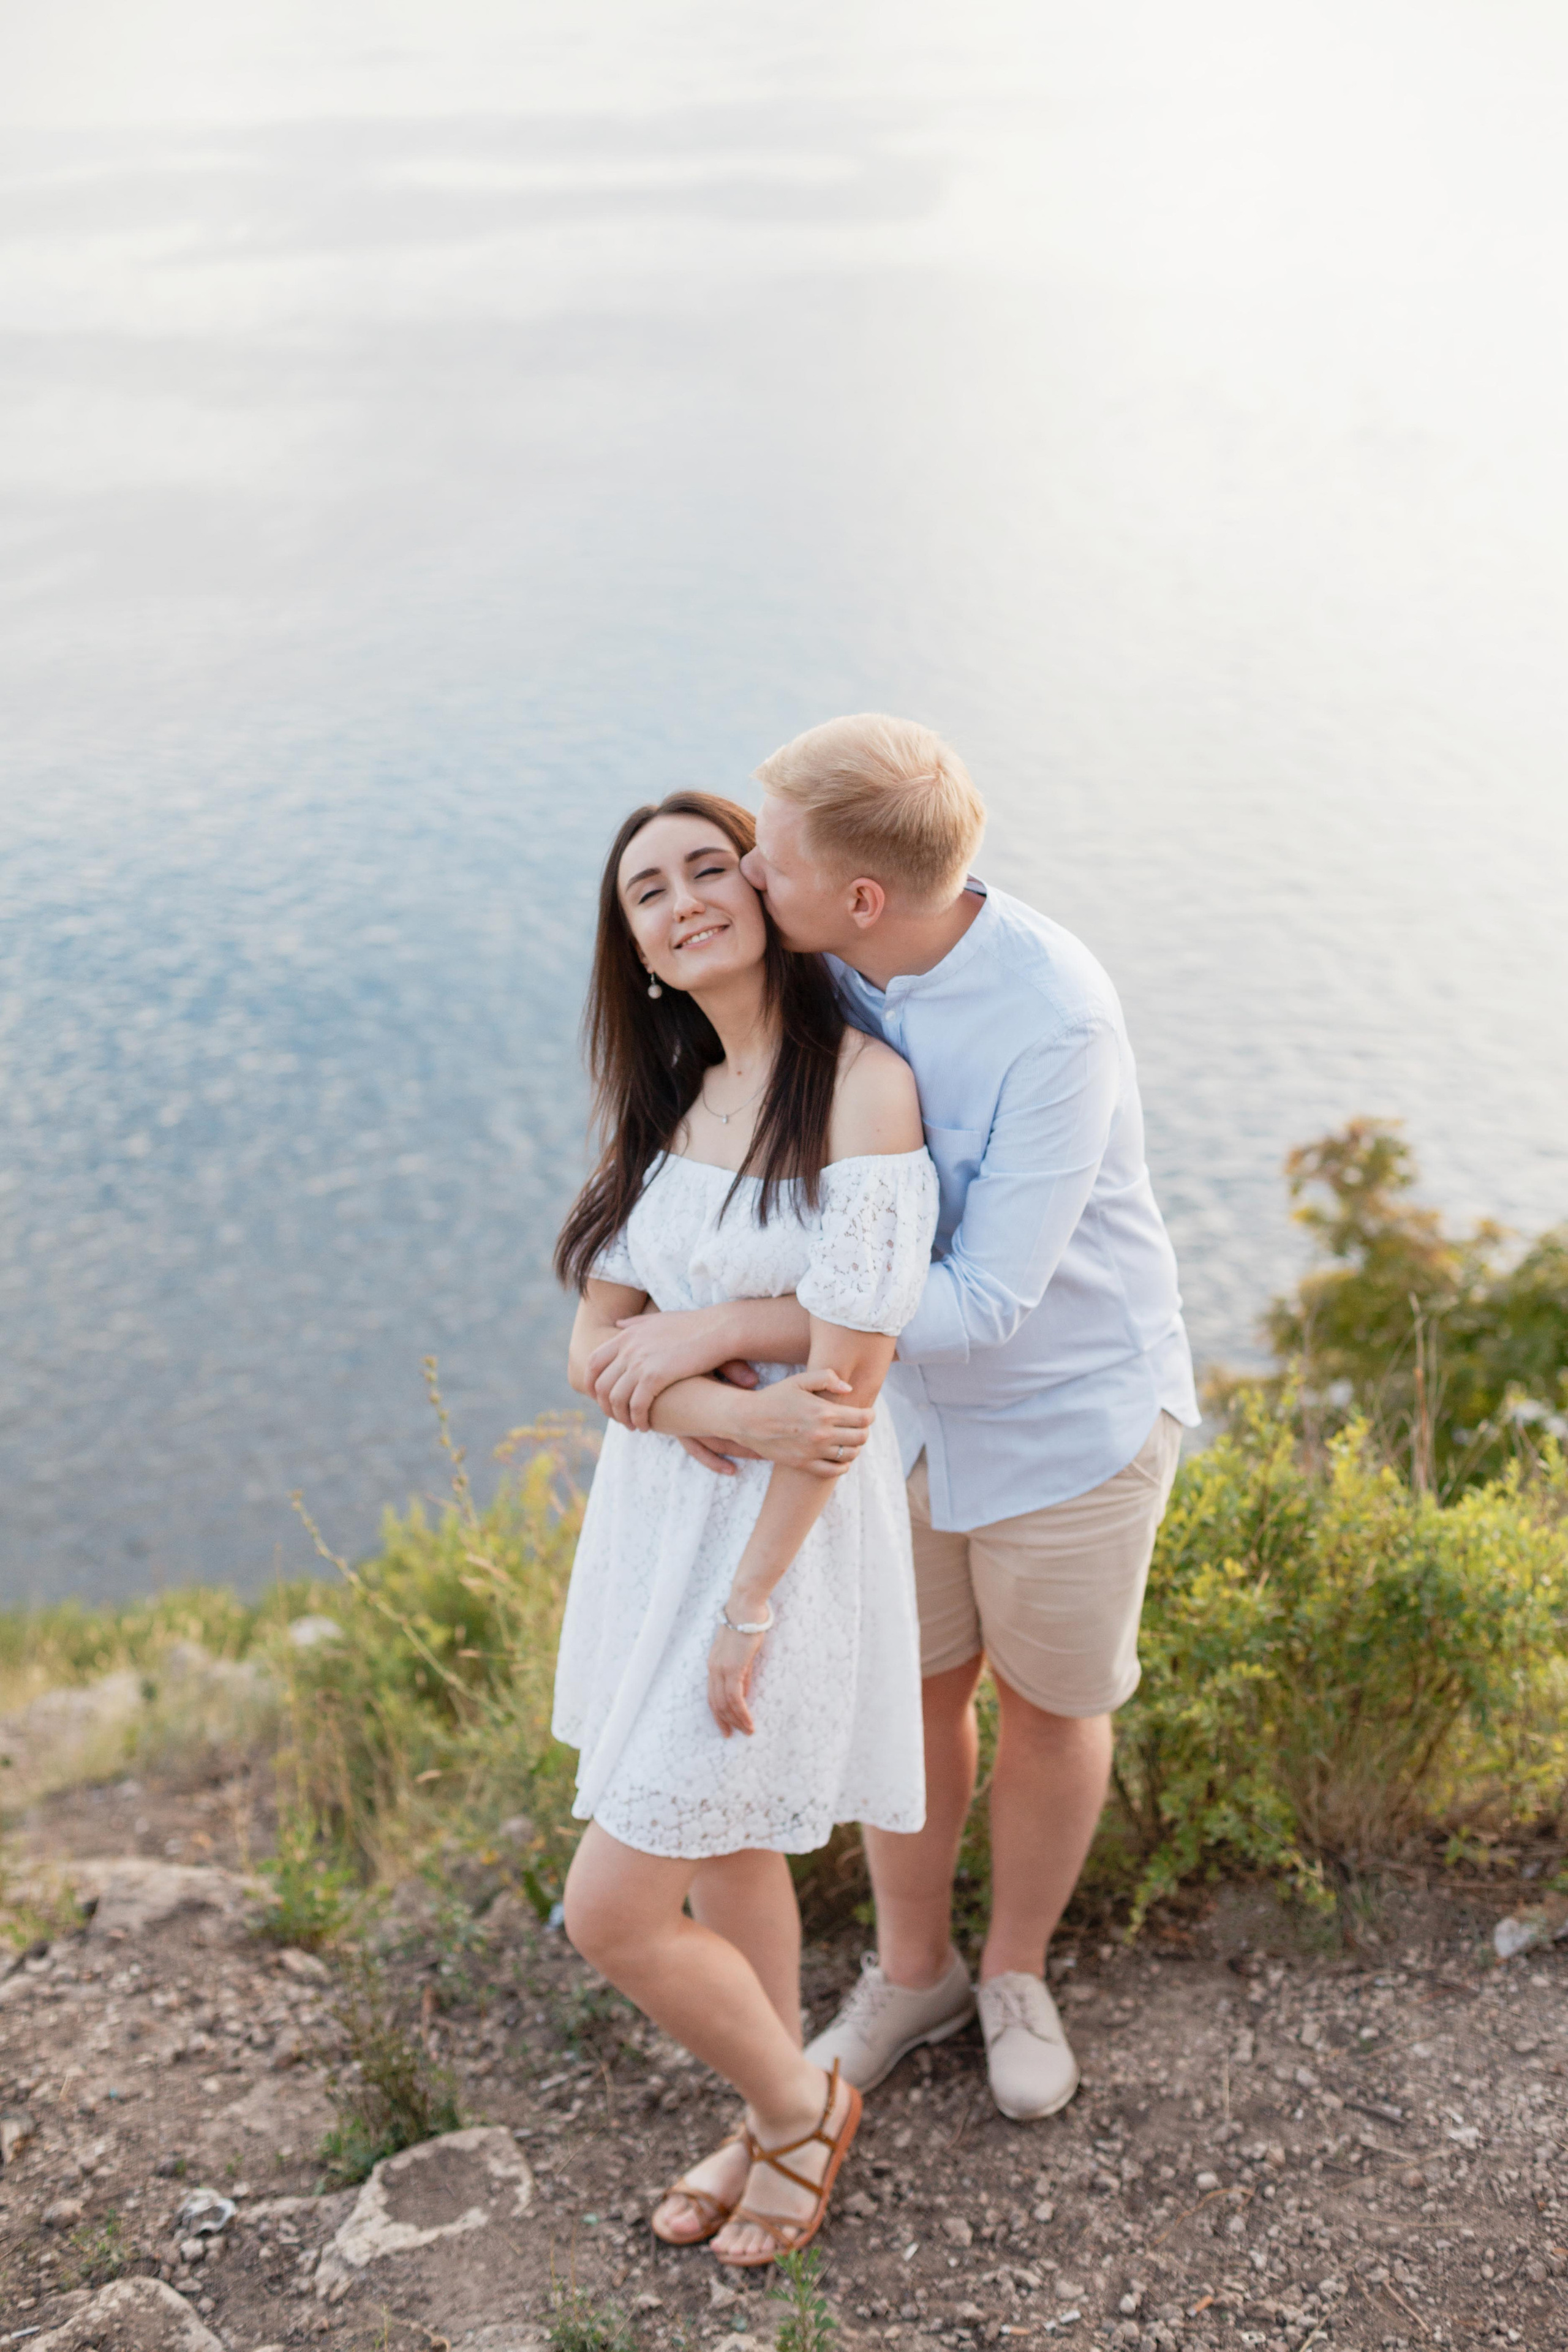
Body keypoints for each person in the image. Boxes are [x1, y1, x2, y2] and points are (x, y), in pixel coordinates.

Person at [584, 717, 1198, 2127]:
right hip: (886, 1420)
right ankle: (911, 1972)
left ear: (861, 900)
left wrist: (727, 1328)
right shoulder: (822, 955)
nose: (743, 874)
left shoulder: (1053, 1020)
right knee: (913, 1689)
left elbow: (982, 1300)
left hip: (1062, 1414)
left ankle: (1014, 1975)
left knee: (1048, 1704)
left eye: (767, 859)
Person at [552, 790, 940, 2264]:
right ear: (638, 949)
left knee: (610, 1911)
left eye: (708, 867)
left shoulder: (860, 1088)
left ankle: (800, 2106)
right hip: (661, 1521)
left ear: (764, 892)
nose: (683, 901)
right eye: (647, 892)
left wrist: (753, 1599)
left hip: (784, 1539)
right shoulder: (663, 1100)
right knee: (723, 1851)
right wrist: (720, 1410)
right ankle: (771, 2109)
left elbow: (852, 1361)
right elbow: (592, 1349)